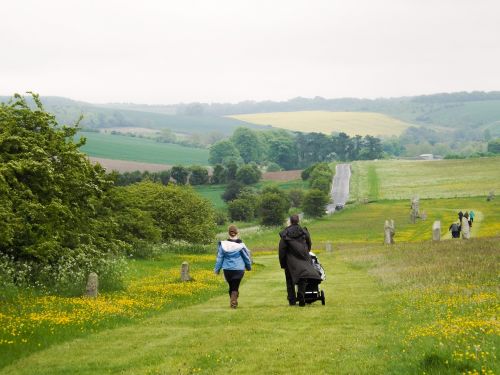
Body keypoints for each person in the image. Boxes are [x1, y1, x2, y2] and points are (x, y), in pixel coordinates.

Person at [279, 214, 322, 306]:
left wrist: (283, 263)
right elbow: (309, 243)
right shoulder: (304, 231)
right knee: (303, 277)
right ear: (298, 221)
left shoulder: (285, 234)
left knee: (290, 280)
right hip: (304, 257)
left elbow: (282, 249)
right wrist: (307, 252)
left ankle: (292, 300)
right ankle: (301, 294)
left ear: (290, 221)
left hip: (290, 260)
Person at [214, 225, 252, 309]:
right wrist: (248, 266)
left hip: (227, 269)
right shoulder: (241, 245)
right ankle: (234, 300)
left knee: (231, 286)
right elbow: (246, 256)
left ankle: (233, 300)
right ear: (237, 233)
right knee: (235, 286)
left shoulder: (223, 245)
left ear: (229, 233)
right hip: (239, 269)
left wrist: (217, 270)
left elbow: (219, 258)